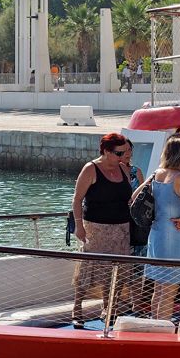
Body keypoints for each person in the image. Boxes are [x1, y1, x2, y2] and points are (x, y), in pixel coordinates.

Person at [70, 133, 134, 328]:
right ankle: (77, 308)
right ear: (106, 152)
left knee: (117, 269)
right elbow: (77, 199)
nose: (123, 156)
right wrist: (79, 226)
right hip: (96, 228)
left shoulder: (123, 169)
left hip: (121, 228)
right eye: (118, 152)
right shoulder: (91, 169)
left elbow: (127, 198)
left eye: (124, 152)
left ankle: (108, 307)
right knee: (88, 268)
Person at [142, 137, 180, 320]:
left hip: (156, 233)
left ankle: (155, 323)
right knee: (170, 290)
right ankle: (162, 328)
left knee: (158, 288)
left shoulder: (156, 174)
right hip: (173, 234)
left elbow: (135, 196)